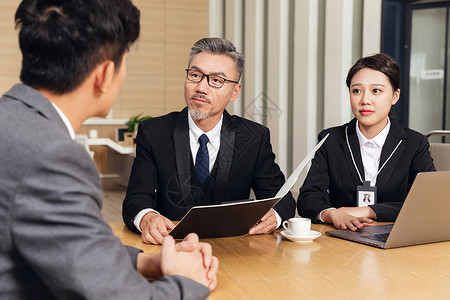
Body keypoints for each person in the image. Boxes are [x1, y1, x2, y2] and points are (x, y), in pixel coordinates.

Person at [0, 0, 218, 299]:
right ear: (104, 74)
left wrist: (146, 262)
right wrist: (189, 281)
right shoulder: (51, 156)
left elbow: (66, 242)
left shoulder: (11, 122)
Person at [123, 37, 296, 244]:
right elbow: (136, 198)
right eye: (195, 75)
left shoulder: (254, 137)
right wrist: (147, 217)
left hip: (236, 251)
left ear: (234, 92)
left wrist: (273, 216)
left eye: (216, 80)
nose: (201, 88)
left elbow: (282, 199)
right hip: (170, 249)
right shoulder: (154, 132)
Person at [297, 53, 435, 231]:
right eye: (356, 91)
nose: (365, 100)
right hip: (343, 238)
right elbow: (308, 197)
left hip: (397, 237)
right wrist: (332, 213)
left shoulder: (415, 143)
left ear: (395, 96)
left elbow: (427, 202)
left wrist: (368, 211)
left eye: (376, 91)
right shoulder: (331, 139)